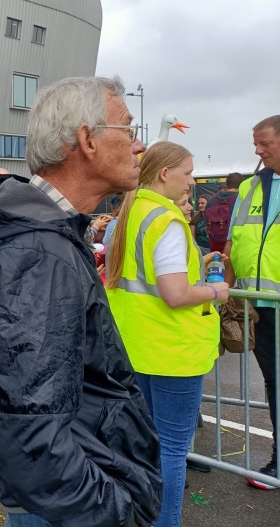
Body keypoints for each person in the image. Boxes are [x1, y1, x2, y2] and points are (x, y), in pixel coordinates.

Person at [0, 76, 161, 526]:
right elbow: (33, 442)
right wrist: (118, 514)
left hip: (66, 488)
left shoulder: (41, 235)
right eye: (129, 130)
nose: (140, 146)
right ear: (86, 140)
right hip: (68, 502)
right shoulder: (37, 251)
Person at [105, 142, 225, 526]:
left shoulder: (132, 211)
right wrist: (215, 291)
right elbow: (175, 294)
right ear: (164, 173)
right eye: (188, 173)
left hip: (138, 346)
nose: (192, 181)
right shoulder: (167, 220)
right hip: (174, 350)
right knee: (172, 449)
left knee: (147, 445)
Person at [225, 116, 280, 489]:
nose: (257, 151)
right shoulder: (249, 187)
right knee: (274, 382)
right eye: (255, 144)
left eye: (264, 144)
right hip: (257, 306)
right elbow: (232, 246)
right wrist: (224, 294)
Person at [207, 172, 244, 253]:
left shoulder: (212, 200)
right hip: (234, 243)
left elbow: (206, 221)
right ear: (242, 185)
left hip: (215, 241)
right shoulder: (241, 200)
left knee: (216, 264)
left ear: (226, 184)